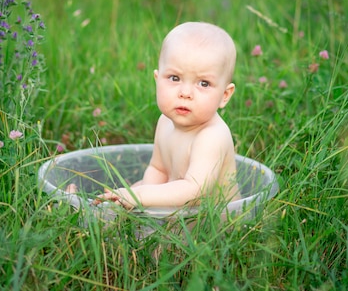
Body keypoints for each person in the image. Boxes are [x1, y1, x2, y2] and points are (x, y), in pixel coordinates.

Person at [96, 21, 240, 209]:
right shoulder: (165, 122)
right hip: (178, 217)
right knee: (134, 190)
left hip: (211, 227)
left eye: (203, 83)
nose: (185, 92)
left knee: (137, 192)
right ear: (157, 80)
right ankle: (95, 207)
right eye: (174, 78)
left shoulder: (212, 136)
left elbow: (194, 192)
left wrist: (140, 196)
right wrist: (140, 201)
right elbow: (158, 169)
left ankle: (100, 211)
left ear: (224, 95)